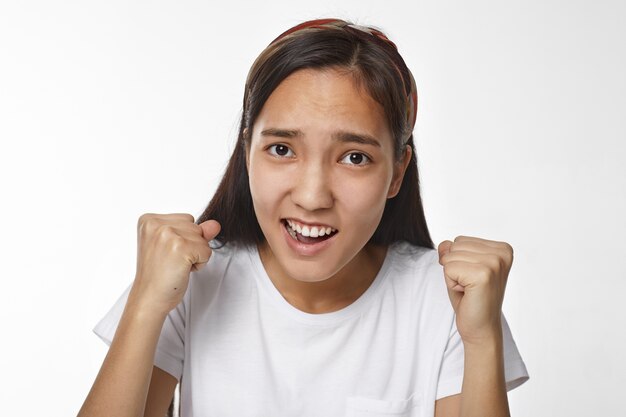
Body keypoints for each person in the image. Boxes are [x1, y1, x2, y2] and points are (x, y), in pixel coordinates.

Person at [77, 18, 529, 417]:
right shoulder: (192, 282)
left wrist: (482, 339)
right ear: (247, 153)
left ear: (396, 173)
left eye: (354, 157)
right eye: (281, 149)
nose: (312, 197)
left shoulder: (444, 301)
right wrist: (144, 303)